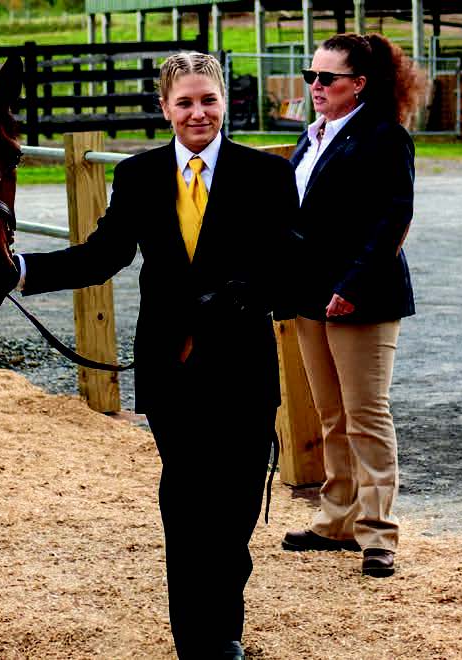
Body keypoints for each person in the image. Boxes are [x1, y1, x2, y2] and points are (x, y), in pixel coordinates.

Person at [16, 52, 298, 660]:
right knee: (188, 502)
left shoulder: (267, 177)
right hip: (172, 368)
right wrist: (20, 270)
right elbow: (103, 255)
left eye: (209, 100)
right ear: (165, 108)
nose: (199, 113)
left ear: (225, 102)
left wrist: (227, 302)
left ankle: (222, 608)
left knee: (236, 508)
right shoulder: (139, 176)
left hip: (244, 367)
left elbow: (287, 270)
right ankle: (205, 639)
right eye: (185, 102)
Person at [278, 33, 428, 579]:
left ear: (358, 84)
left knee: (366, 414)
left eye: (327, 78)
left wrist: (352, 286)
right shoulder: (313, 135)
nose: (315, 86)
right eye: (310, 76)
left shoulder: (385, 137)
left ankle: (378, 531)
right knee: (330, 412)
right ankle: (337, 516)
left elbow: (394, 221)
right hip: (310, 295)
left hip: (362, 296)